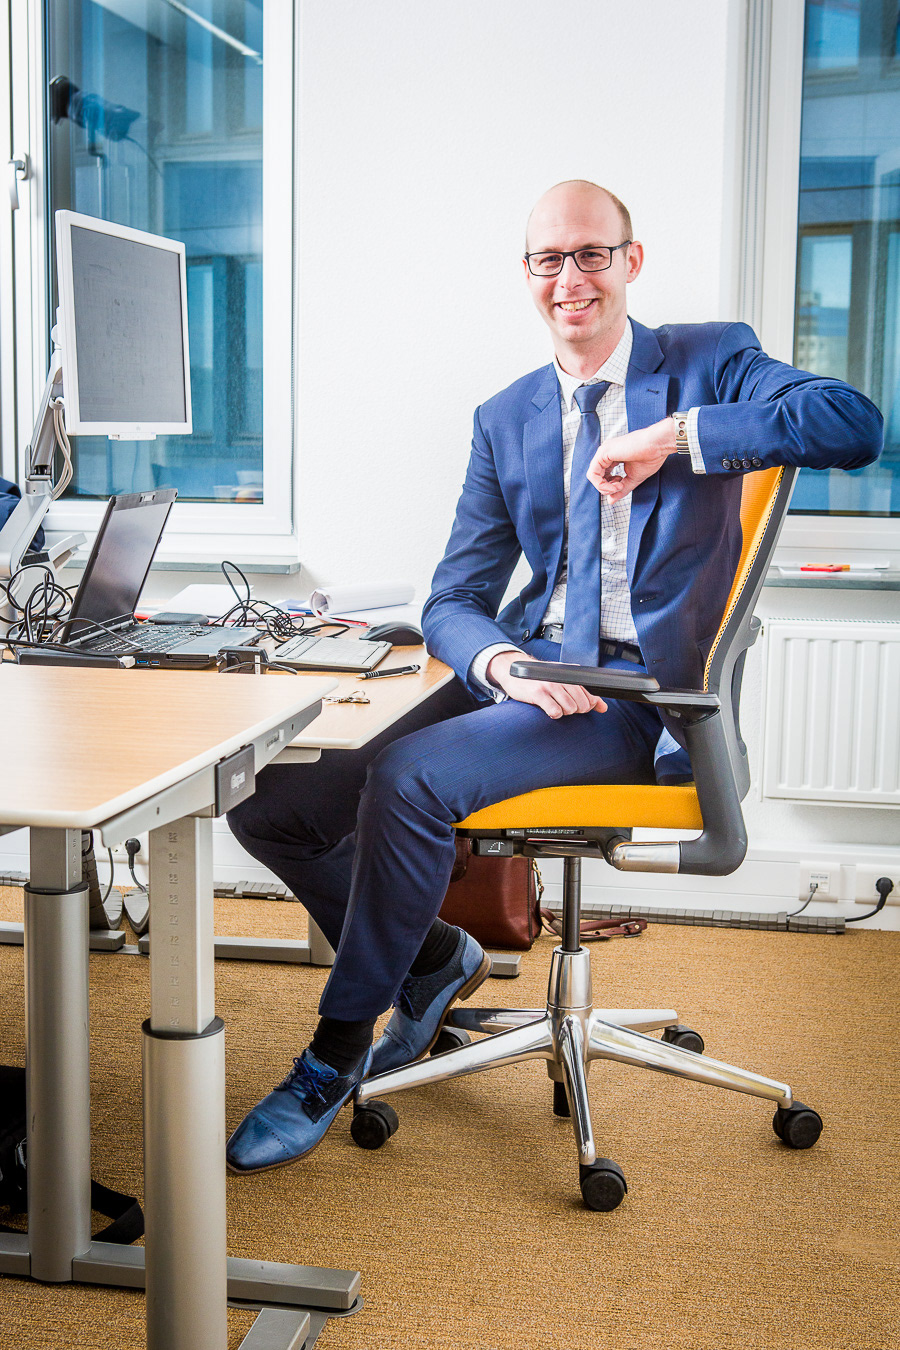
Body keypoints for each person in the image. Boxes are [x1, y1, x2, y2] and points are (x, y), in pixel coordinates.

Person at [225, 179, 882, 1174]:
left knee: (409, 780)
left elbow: (851, 422)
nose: (570, 278)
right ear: (527, 274)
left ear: (630, 261)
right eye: (548, 259)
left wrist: (675, 436)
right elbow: (455, 595)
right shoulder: (508, 415)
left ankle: (333, 1052)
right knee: (274, 804)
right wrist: (499, 663)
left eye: (591, 254)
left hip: (637, 694)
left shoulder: (709, 360)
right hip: (532, 672)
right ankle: (433, 959)